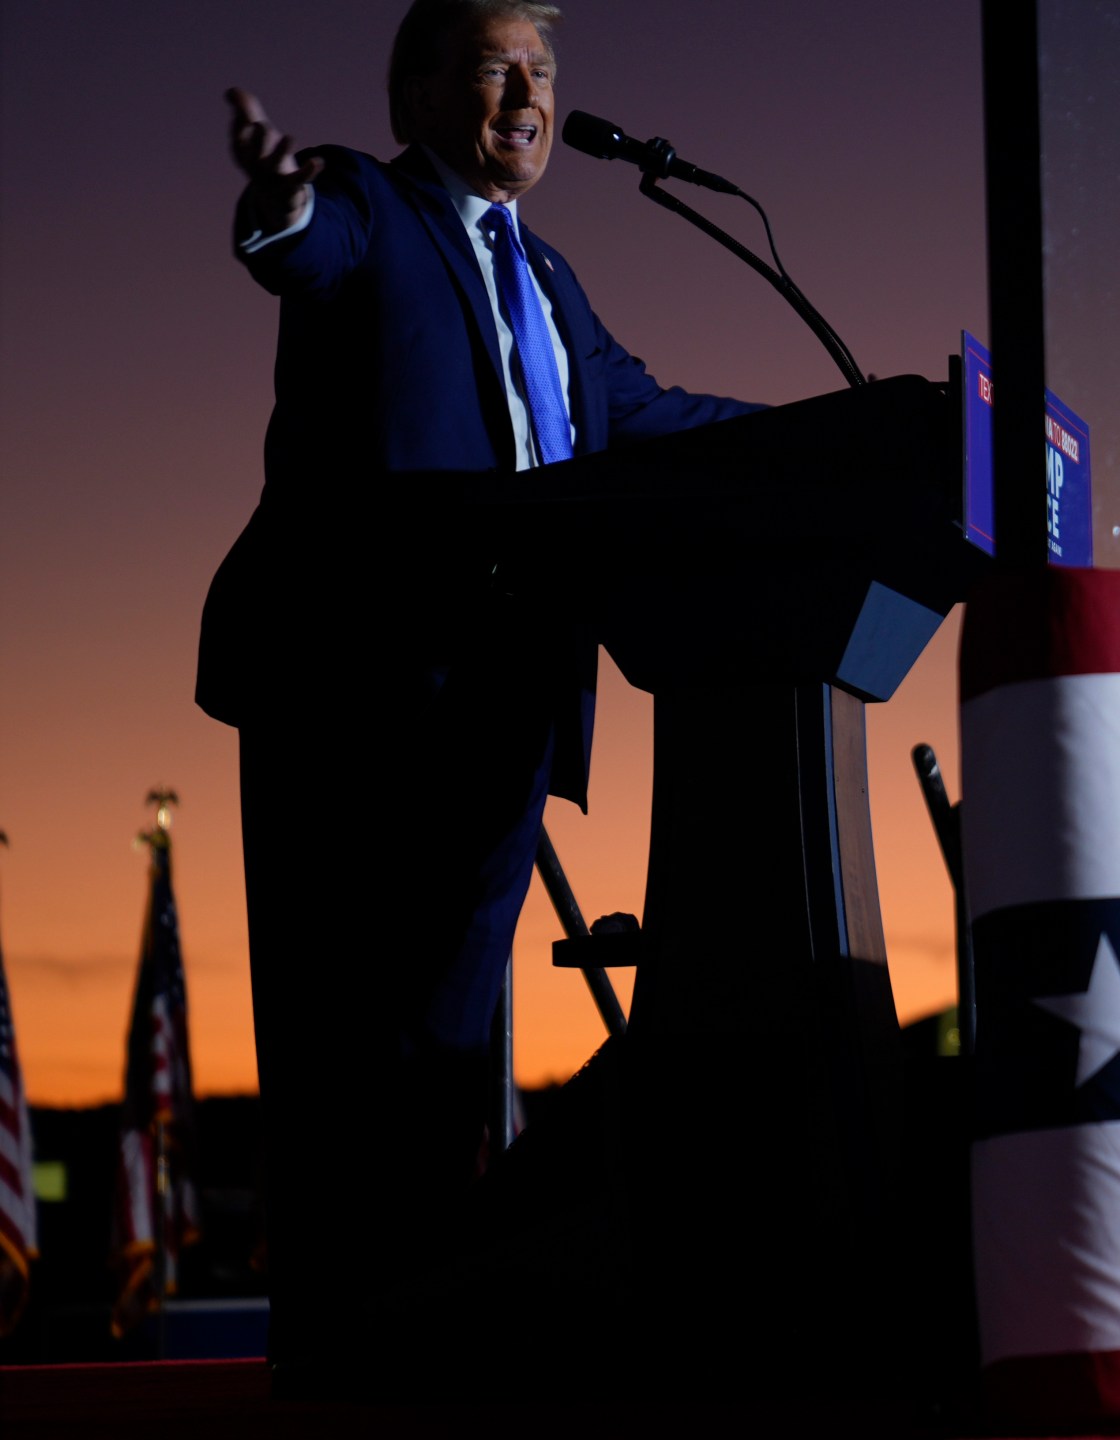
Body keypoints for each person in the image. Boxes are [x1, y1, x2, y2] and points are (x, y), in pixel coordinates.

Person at [201, 0, 760, 1385]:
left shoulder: (551, 279)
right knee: (347, 1041)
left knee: (449, 1038)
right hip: (354, 687)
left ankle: (422, 1336)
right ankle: (338, 1360)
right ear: (416, 89)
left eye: (547, 69)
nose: (530, 94)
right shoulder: (367, 203)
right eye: (498, 64)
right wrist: (274, 201)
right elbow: (300, 245)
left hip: (506, 697)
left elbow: (654, 417)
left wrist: (868, 425)